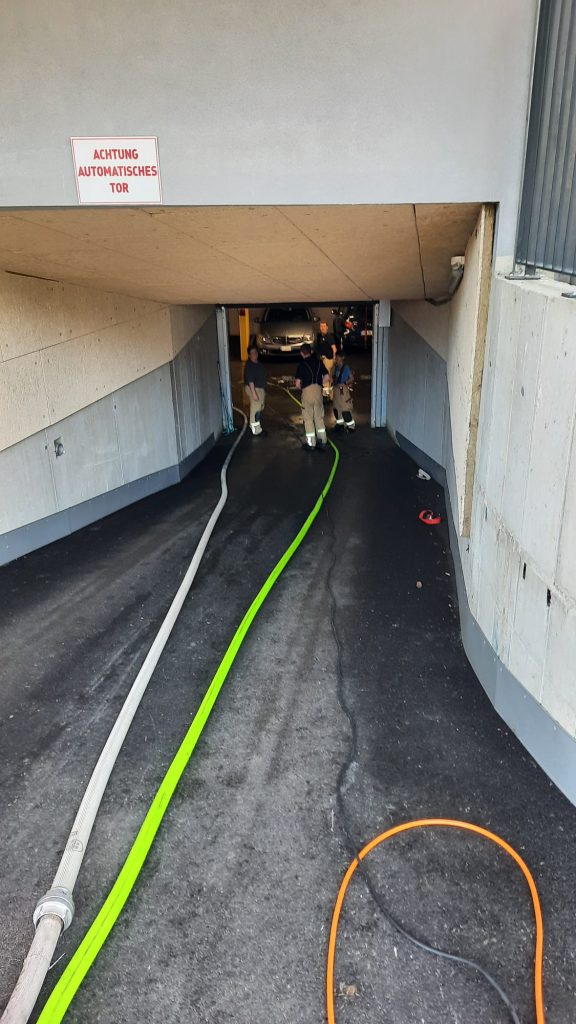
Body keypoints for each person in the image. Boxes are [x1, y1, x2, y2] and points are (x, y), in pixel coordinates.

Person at [294, 343, 329, 449]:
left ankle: (311, 443)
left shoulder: (301, 365)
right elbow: (327, 377)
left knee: (308, 418)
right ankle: (323, 440)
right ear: (311, 351)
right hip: (318, 391)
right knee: (319, 417)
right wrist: (318, 383)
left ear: (301, 353)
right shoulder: (319, 362)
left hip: (307, 392)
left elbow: (297, 384)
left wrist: (304, 388)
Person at [243, 345, 267, 436]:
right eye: (252, 353)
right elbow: (250, 381)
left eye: (256, 352)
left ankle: (253, 426)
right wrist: (254, 393)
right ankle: (256, 429)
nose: (255, 354)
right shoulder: (250, 366)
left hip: (260, 388)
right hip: (254, 388)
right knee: (256, 408)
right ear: (249, 355)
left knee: (260, 407)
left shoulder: (259, 364)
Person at [332, 352, 355, 431]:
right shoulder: (336, 367)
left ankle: (351, 427)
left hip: (343, 390)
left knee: (345, 409)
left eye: (338, 358)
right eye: (336, 358)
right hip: (336, 390)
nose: (337, 359)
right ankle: (340, 424)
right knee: (336, 408)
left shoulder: (346, 368)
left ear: (343, 358)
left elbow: (351, 378)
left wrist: (344, 383)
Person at [316, 320, 337, 396]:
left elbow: (334, 349)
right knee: (329, 379)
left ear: (327, 327)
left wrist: (334, 361)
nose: (322, 328)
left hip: (328, 361)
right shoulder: (321, 337)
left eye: (324, 326)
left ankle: (326, 396)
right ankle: (330, 396)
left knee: (326, 378)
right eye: (321, 326)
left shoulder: (329, 337)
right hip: (323, 360)